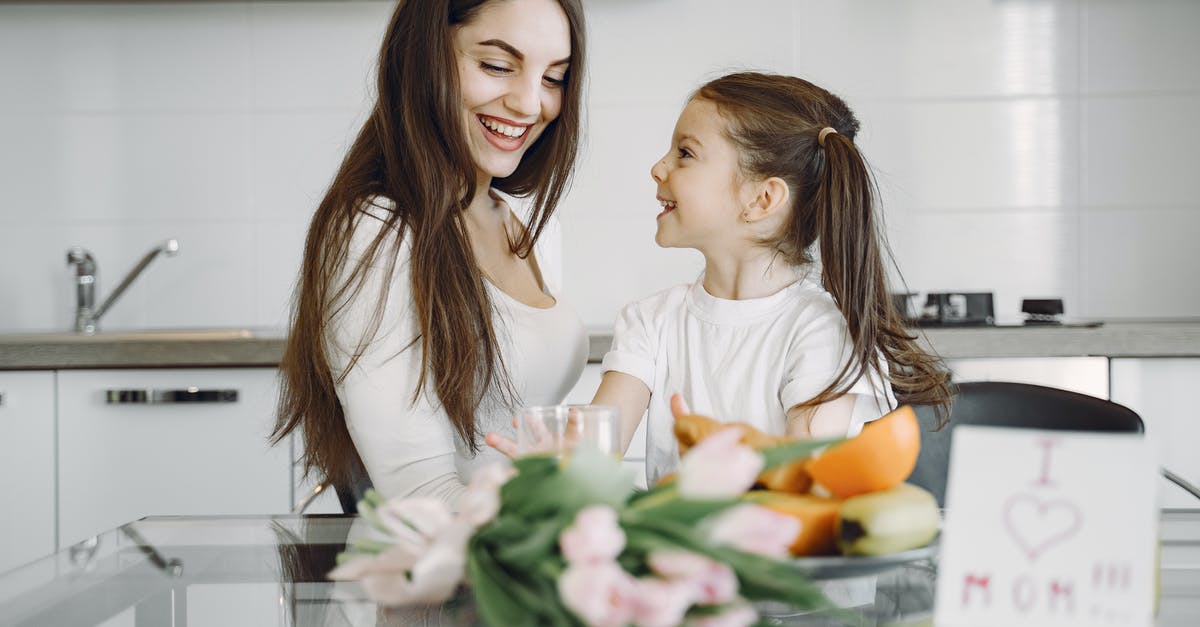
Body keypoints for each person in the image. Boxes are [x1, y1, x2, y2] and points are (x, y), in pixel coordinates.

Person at [493, 72, 951, 486]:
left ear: (761, 199)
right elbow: (596, 447)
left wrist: (711, 471)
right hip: (680, 575)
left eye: (685, 153)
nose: (658, 168)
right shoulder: (651, 322)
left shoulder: (819, 330)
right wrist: (561, 464)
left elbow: (802, 482)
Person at [272, 0, 588, 507]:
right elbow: (417, 491)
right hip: (438, 571)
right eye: (497, 66)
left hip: (506, 562)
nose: (531, 104)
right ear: (424, 59)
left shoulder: (512, 220)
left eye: (554, 78)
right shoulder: (377, 229)